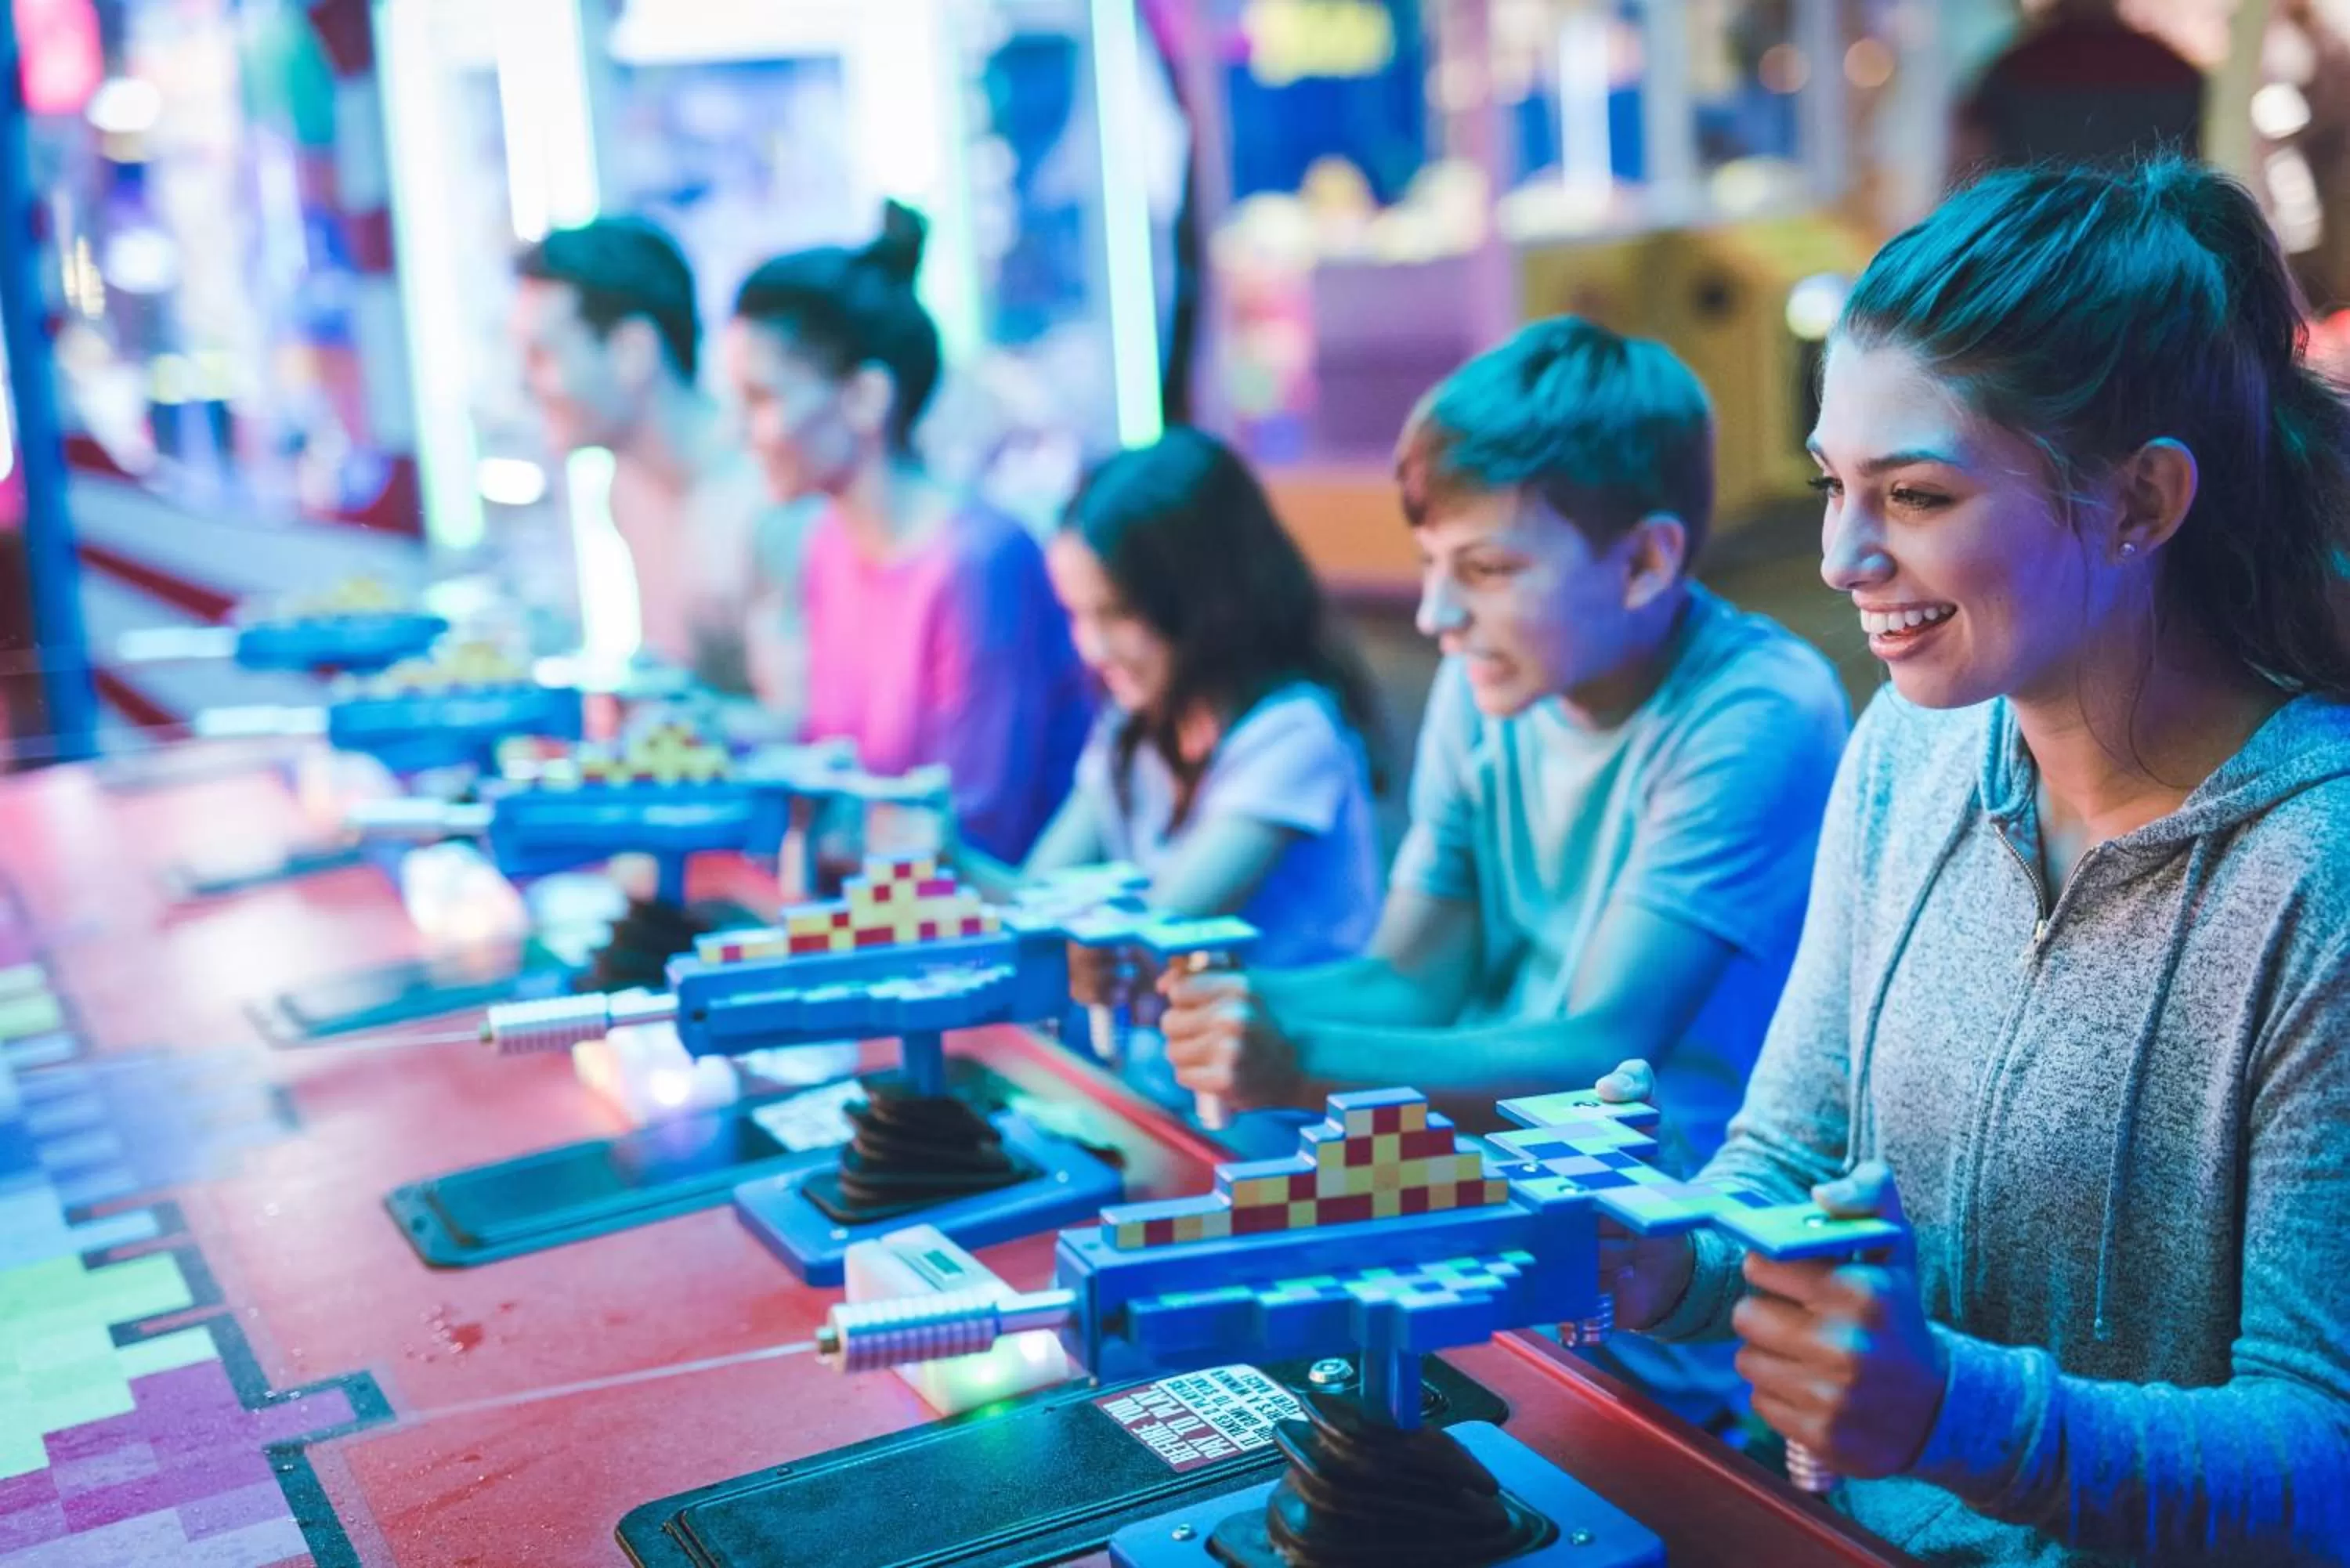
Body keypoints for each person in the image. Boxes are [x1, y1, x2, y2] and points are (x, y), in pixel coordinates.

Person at [1597, 159, 2350, 1564]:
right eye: (1833, 485)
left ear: (2139, 502)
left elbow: (2324, 1464)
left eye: (1916, 495)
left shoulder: (2322, 870)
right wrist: (1664, 1256)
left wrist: (1948, 1413)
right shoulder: (1908, 750)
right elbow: (1789, 1154)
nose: (1839, 556)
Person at [1160, 316, 1851, 1427]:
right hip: (1468, 1242)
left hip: (1651, 1311)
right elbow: (1409, 980)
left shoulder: (1757, 707)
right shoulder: (1491, 686)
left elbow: (1599, 1043)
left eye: (1483, 570)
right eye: (1435, 566)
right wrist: (1206, 998)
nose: (1434, 616)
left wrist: (1297, 1062)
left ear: (1643, 560)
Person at [722, 202, 1091, 865]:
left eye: (763, 399)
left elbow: (977, 831)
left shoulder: (978, 563)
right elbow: (837, 768)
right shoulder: (824, 545)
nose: (744, 432)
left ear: (866, 397)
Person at [960, 426, 1383, 971]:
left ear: (1206, 599)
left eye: (1114, 614)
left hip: (1284, 1049)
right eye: (1077, 616)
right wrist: (942, 859)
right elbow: (1033, 900)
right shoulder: (1133, 726)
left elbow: (1161, 934)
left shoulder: (1293, 736)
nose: (1091, 648)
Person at [512, 218, 800, 710]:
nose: (525, 383)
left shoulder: (766, 498)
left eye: (543, 356)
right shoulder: (625, 489)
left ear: (632, 350)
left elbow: (807, 728)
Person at [1950, 0, 2204, 179]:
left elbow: (1968, 166)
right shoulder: (2173, 72)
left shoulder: (2013, 70)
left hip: (2038, 237)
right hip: (2142, 240)